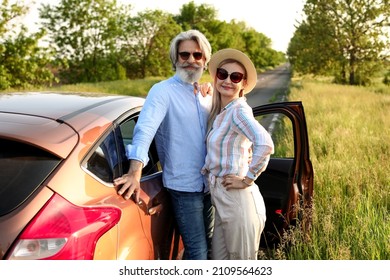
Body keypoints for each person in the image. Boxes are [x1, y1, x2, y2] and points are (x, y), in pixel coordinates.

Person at [113, 30, 214, 260]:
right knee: (197, 252)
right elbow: (144, 129)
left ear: (205, 60)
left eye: (197, 55)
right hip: (184, 186)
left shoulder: (207, 94)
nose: (190, 60)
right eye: (184, 54)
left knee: (208, 244)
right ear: (175, 59)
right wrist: (134, 173)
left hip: (209, 184)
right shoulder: (162, 91)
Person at [201, 48, 274, 260]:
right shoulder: (222, 111)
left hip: (238, 201)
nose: (228, 80)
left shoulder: (238, 111)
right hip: (223, 200)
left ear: (243, 84)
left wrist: (247, 179)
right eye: (222, 74)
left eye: (236, 77)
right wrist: (203, 88)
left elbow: (265, 143)